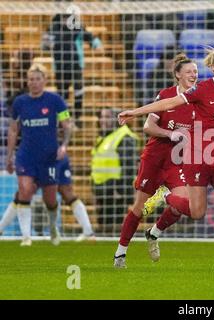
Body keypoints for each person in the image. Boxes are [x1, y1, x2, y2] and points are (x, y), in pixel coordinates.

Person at [118, 48, 214, 272]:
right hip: (196, 156)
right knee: (197, 213)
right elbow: (166, 104)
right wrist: (134, 112)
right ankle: (166, 197)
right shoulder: (201, 90)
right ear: (212, 67)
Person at [113, 53, 198, 268]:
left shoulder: (198, 102)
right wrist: (170, 134)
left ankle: (154, 232)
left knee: (183, 206)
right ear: (178, 75)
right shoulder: (166, 96)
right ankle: (120, 253)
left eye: (196, 72)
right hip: (154, 158)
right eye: (189, 72)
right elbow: (147, 127)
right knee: (139, 208)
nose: (194, 75)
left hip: (177, 162)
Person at [6, 63, 72, 246]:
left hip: (49, 156)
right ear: (27, 82)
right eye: (30, 79)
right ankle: (26, 237)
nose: (33, 83)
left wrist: (64, 146)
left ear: (45, 81)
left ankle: (52, 227)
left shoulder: (55, 100)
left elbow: (67, 125)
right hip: (26, 154)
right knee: (25, 190)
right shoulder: (20, 102)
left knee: (50, 198)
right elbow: (13, 130)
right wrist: (9, 156)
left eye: (37, 79)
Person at [0, 155, 95, 242]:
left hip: (42, 157)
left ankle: (19, 235)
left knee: (23, 194)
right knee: (66, 193)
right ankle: (88, 232)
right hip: (55, 155)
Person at [91, 108, 140, 236]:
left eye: (107, 117)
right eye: (101, 117)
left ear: (115, 119)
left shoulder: (124, 137)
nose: (103, 120)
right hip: (102, 190)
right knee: (103, 229)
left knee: (114, 230)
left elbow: (129, 167)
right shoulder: (103, 137)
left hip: (115, 192)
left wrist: (120, 190)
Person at [46, 14, 103, 124]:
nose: (65, 20)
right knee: (62, 95)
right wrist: (48, 43)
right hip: (60, 67)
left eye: (67, 17)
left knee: (78, 92)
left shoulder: (77, 26)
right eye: (63, 17)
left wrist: (97, 44)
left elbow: (90, 37)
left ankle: (77, 118)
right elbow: (45, 43)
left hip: (76, 65)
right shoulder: (54, 27)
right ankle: (64, 119)